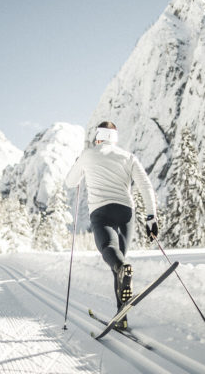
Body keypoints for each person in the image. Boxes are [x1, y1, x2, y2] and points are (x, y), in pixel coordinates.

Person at [65, 121, 158, 329]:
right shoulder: (128, 157)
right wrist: (152, 218)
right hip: (126, 212)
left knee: (111, 253)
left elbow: (70, 182)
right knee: (120, 263)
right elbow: (145, 185)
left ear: (98, 137)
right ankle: (121, 315)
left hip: (101, 211)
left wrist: (79, 162)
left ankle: (121, 310)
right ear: (115, 138)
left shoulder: (88, 154)